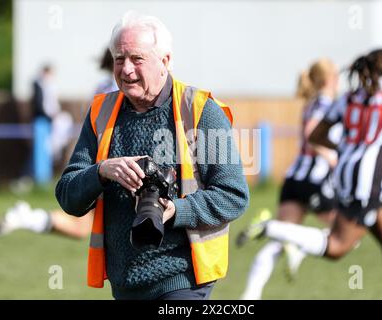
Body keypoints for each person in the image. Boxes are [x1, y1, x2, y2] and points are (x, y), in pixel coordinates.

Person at [55, 11, 249, 300]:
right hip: (124, 284)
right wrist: (101, 171)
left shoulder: (201, 111)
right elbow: (67, 195)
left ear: (165, 62)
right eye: (119, 59)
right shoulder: (100, 113)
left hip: (182, 279)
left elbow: (233, 195)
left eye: (137, 59)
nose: (127, 69)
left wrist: (175, 210)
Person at [239, 49, 382, 300]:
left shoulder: (349, 98)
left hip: (343, 176)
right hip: (363, 182)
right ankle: (274, 229)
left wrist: (348, 149)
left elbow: (316, 135)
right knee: (337, 246)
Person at [237, 59, 341, 299]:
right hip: (312, 183)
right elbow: (311, 135)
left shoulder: (313, 102)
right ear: (329, 79)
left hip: (295, 179)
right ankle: (283, 238)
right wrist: (332, 157)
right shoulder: (325, 103)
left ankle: (249, 296)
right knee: (346, 234)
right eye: (336, 76)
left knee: (281, 238)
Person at [0, 49, 120, 240]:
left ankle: (27, 217)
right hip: (106, 162)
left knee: (82, 228)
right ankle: (26, 217)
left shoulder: (102, 86)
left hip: (101, 159)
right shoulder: (112, 89)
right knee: (84, 227)